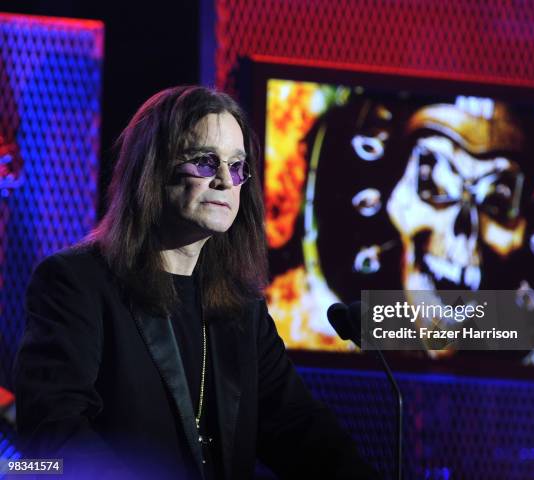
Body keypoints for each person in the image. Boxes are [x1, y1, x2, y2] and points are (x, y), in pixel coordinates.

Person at [14, 86, 380, 480]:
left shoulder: (243, 309)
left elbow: (300, 429)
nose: (226, 180)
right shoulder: (77, 283)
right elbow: (54, 436)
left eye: (238, 166)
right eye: (205, 162)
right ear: (152, 169)